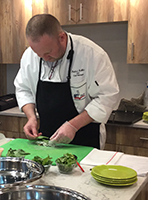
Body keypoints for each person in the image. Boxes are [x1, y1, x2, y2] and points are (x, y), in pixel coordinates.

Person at [14, 14, 120, 149]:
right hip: (47, 138)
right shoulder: (29, 55)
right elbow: (23, 88)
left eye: (48, 53)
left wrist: (73, 125)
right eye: (39, 55)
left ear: (62, 38)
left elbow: (107, 97)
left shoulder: (91, 54)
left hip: (85, 138)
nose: (45, 59)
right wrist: (31, 117)